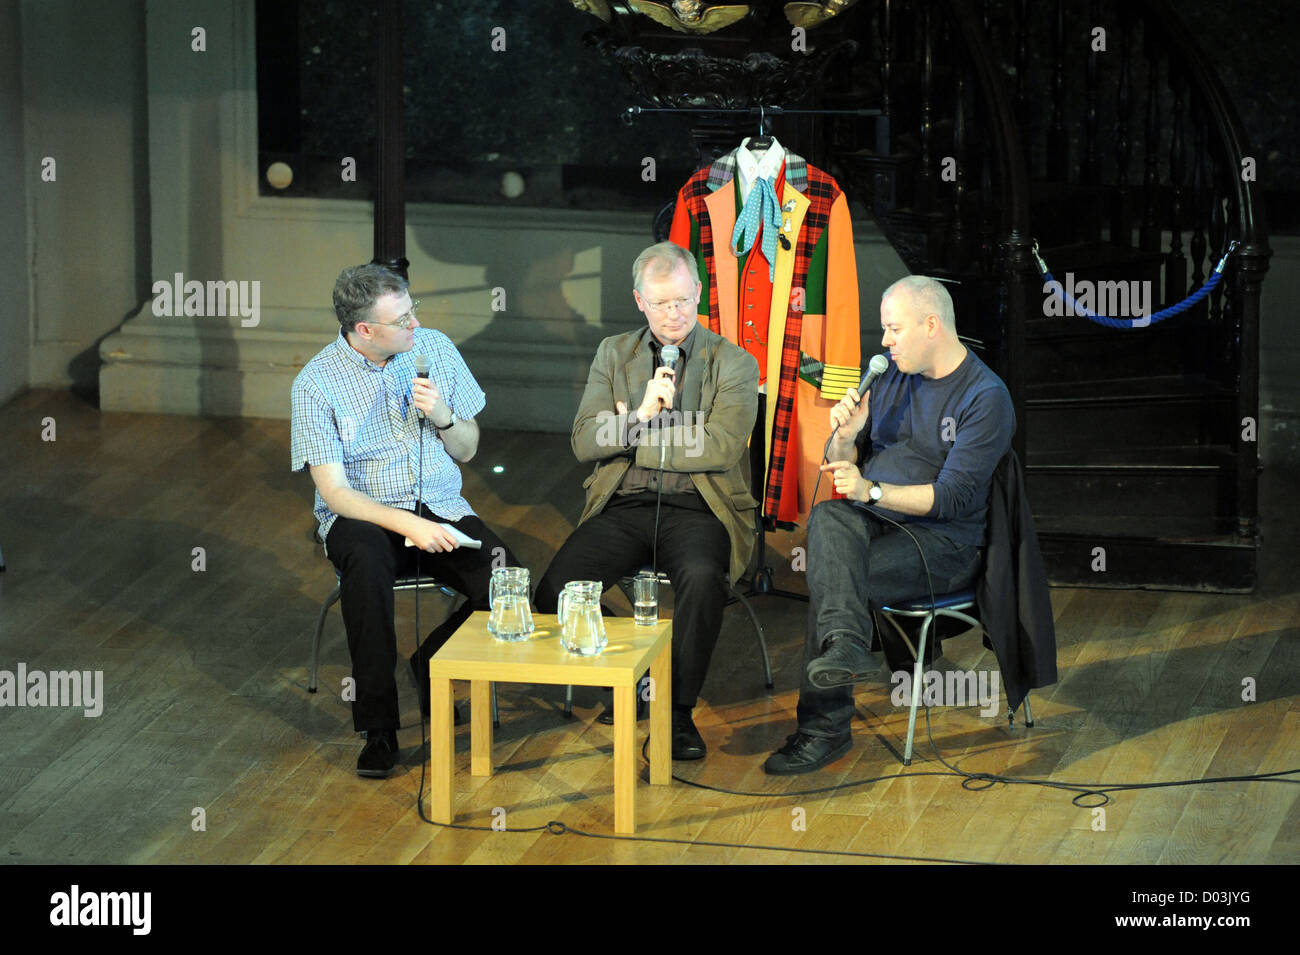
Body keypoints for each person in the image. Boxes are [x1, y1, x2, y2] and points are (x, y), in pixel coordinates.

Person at [763, 275, 1015, 774]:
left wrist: (872, 491)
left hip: (944, 544)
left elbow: (951, 498)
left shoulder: (985, 396)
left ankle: (824, 728)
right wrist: (846, 438)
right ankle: (847, 646)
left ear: (931, 325)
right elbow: (846, 468)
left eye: (894, 329)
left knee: (837, 575)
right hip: (875, 520)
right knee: (830, 517)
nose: (884, 342)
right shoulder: (892, 374)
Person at [290, 264, 519, 778]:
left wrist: (443, 416)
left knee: (508, 586)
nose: (415, 323)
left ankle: (431, 662)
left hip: (437, 504)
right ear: (365, 330)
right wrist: (405, 525)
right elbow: (334, 492)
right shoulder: (316, 383)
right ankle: (379, 730)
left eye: (413, 310)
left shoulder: (433, 348)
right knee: (366, 573)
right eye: (402, 319)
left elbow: (468, 449)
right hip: (361, 514)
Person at [534, 242, 760, 760]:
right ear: (640, 301)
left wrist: (632, 434)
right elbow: (584, 441)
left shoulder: (735, 362)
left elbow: (721, 447)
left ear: (698, 292)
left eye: (682, 300)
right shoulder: (614, 353)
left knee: (702, 578)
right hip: (625, 505)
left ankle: (675, 711)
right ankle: (638, 675)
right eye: (660, 304)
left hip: (700, 508)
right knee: (557, 592)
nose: (674, 314)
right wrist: (640, 415)